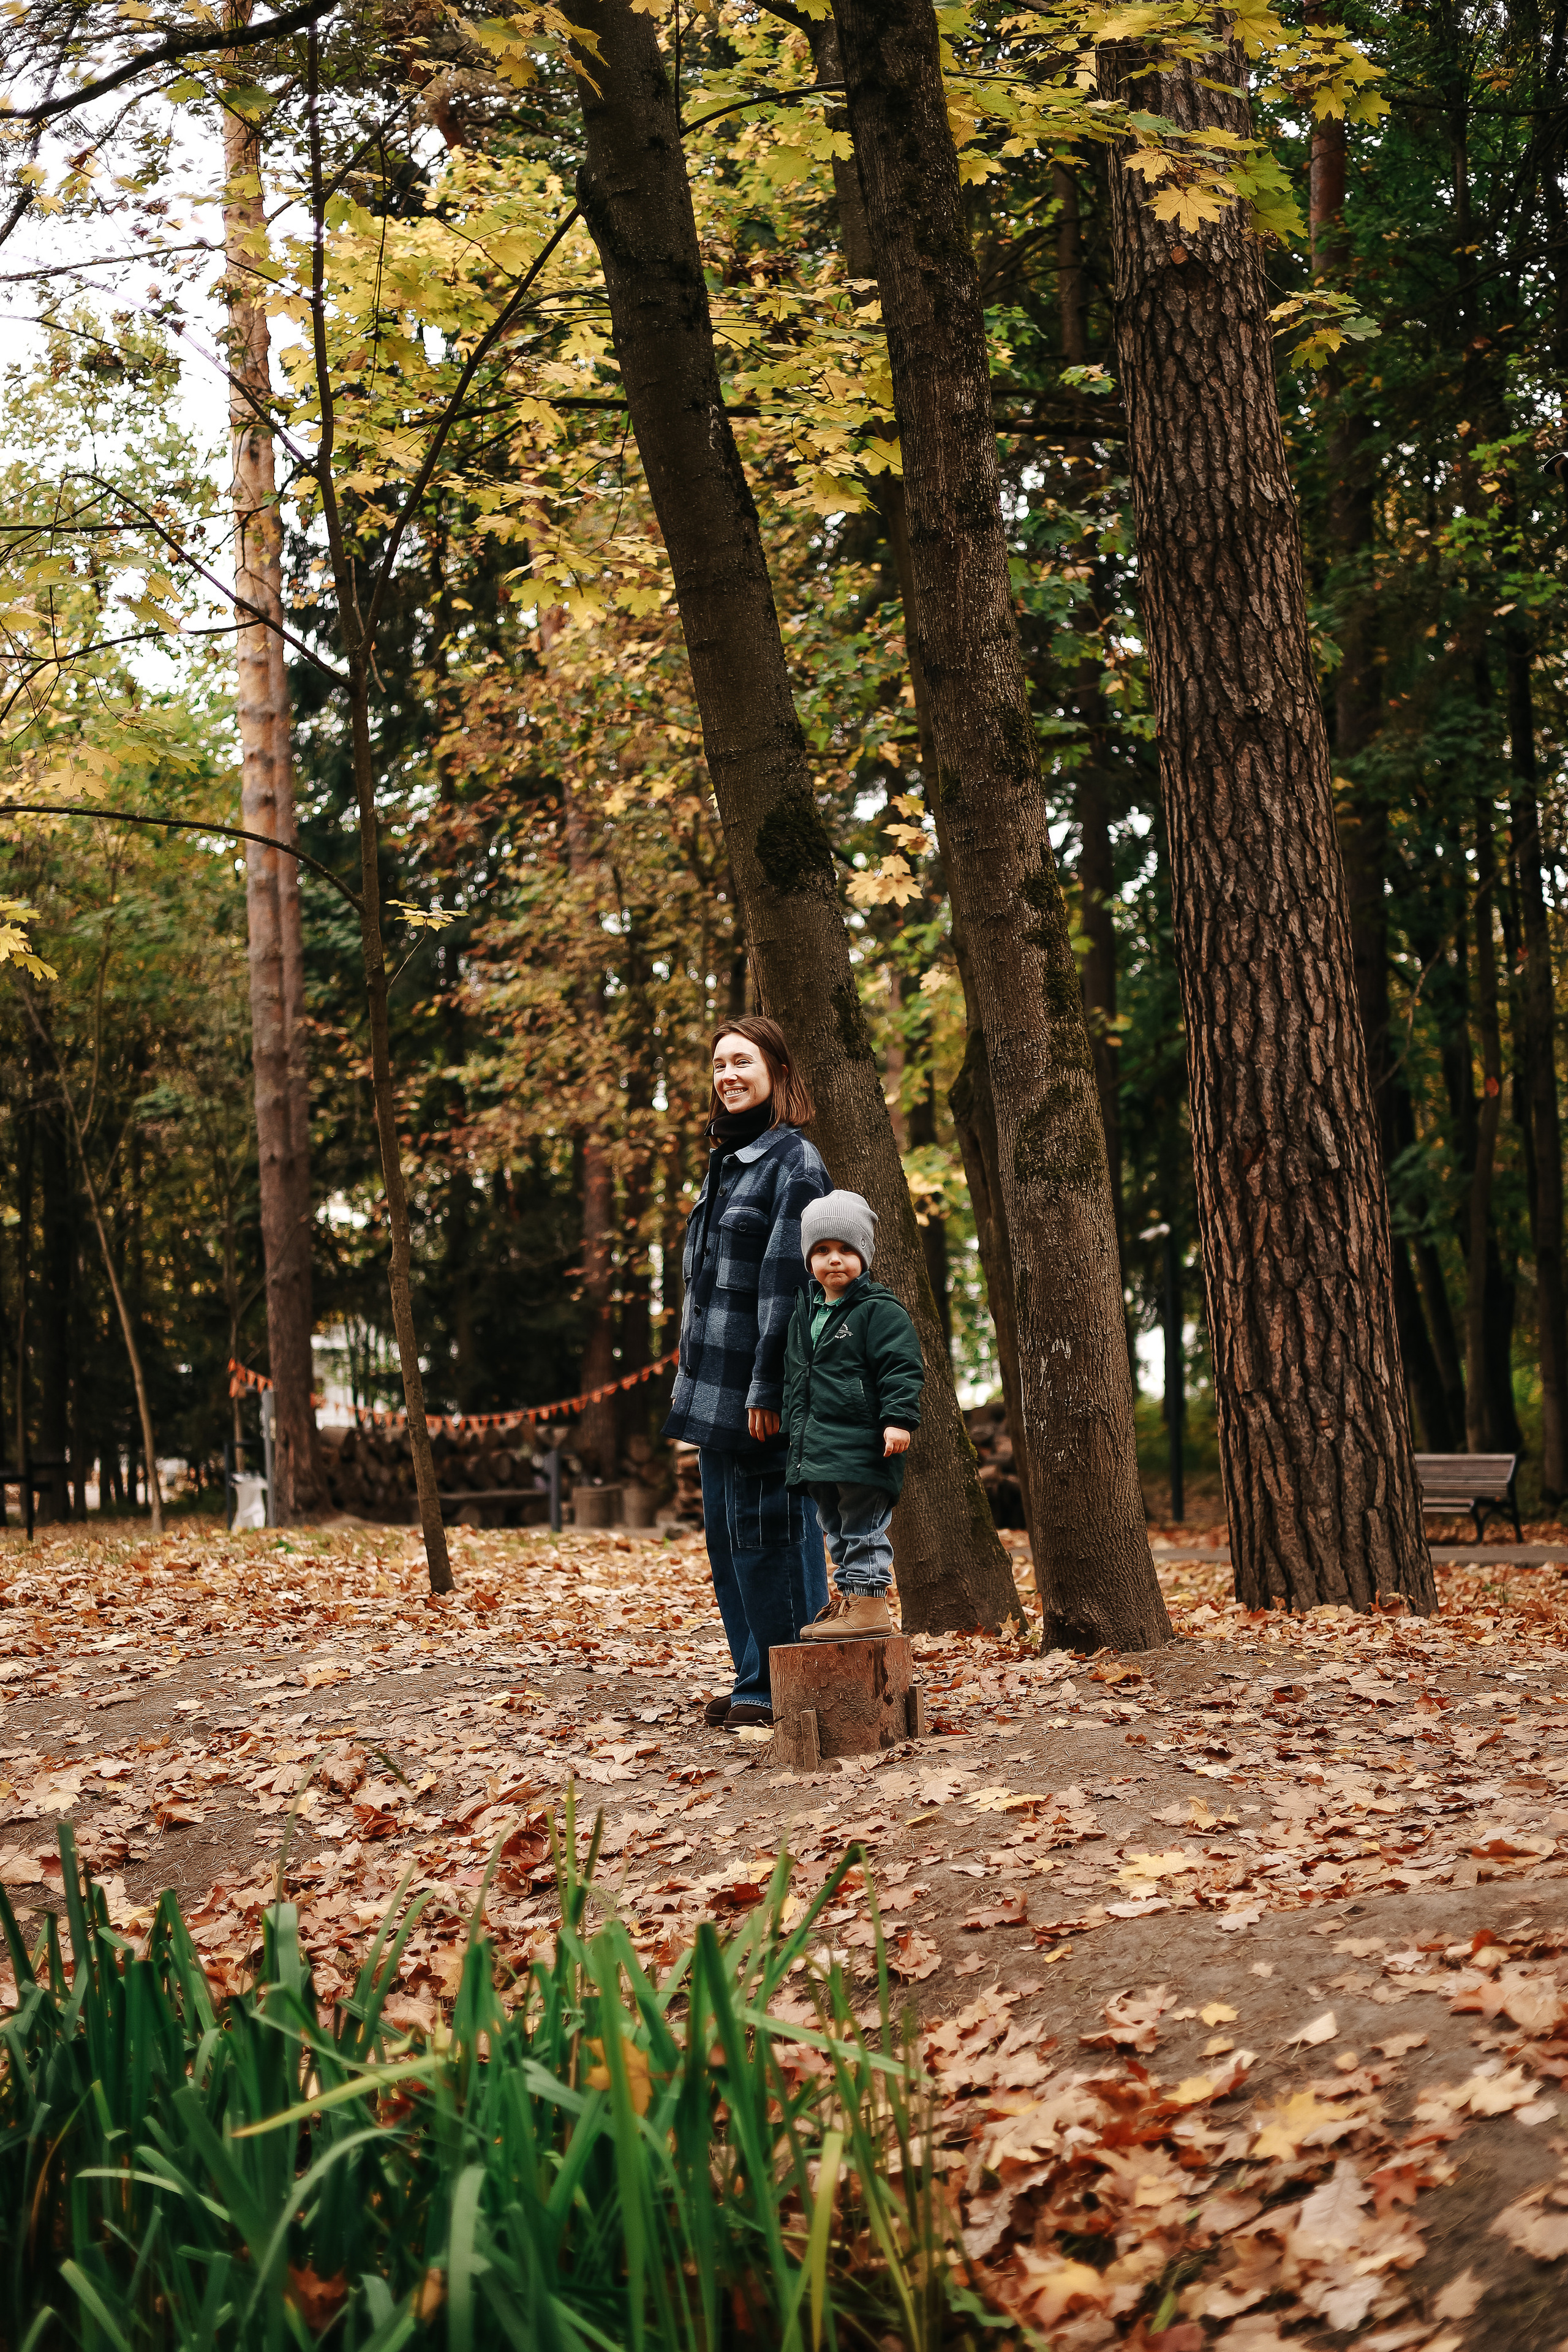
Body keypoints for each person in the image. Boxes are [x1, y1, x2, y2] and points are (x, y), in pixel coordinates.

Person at [662, 1017, 831, 1727]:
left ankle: (786, 1686)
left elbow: (788, 1290)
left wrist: (769, 1389)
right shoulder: (728, 1161)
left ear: (777, 1071)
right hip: (713, 1392)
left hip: (760, 1394)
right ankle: (754, 1677)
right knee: (730, 1546)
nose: (728, 1075)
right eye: (719, 1064)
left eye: (742, 1061)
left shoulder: (794, 1162)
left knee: (772, 1535)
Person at [781, 1189, 925, 1640]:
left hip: (863, 1442)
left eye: (846, 1249)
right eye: (822, 1251)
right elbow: (795, 1377)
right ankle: (852, 1600)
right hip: (818, 1445)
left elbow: (901, 1367)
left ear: (864, 1255)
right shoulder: (804, 1312)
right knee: (836, 1528)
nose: (835, 1260)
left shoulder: (878, 1311)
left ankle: (871, 1605)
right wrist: (793, 1432)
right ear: (809, 1261)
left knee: (863, 1526)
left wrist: (898, 1418)